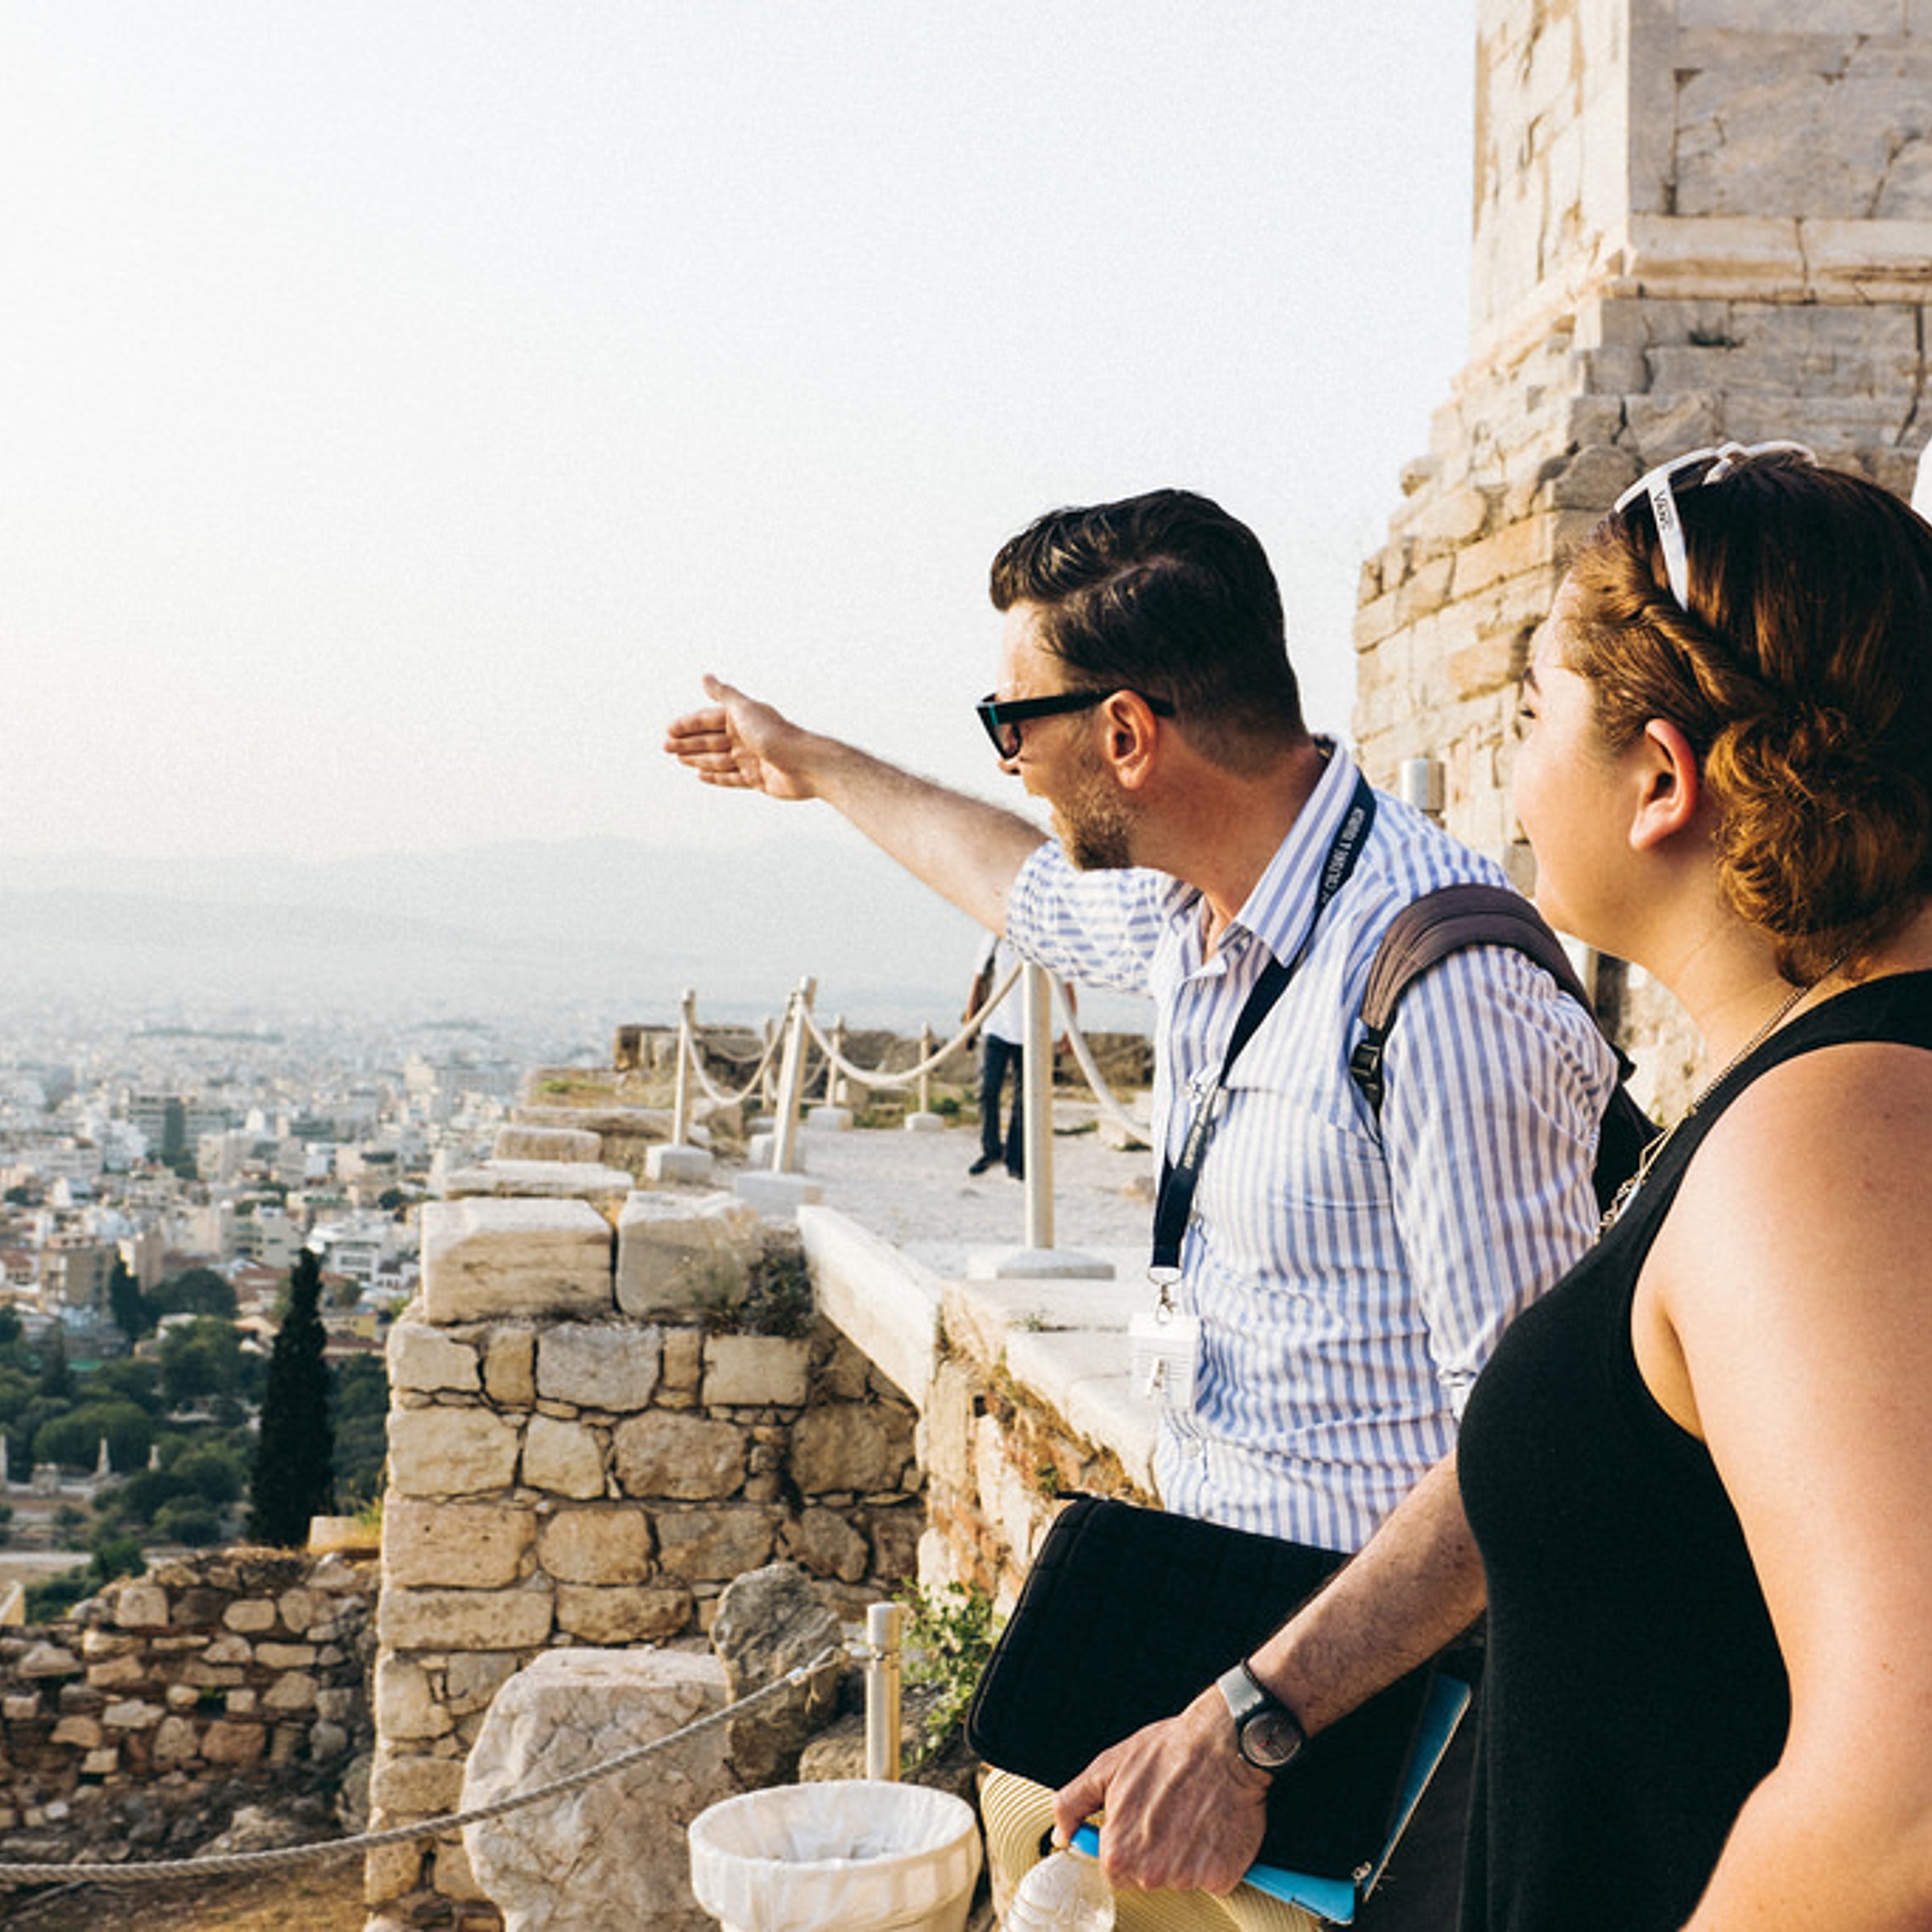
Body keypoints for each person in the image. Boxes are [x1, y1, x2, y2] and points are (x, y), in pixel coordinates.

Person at [665, 489, 1618, 1930]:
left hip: (1388, 1734)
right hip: (1236, 1664)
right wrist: (814, 767)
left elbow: (1530, 1459)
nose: (1012, 763)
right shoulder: (1200, 912)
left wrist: (1248, 1723)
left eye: (1014, 723)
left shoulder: (1441, 988)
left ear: (1125, 734)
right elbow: (1016, 886)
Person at [1055, 448, 1932, 1932]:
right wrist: (1259, 1709)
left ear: (1661, 779)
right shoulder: (1797, 1097)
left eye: (1533, 717)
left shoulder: (1829, 1141)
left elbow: (1903, 1792)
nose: (1512, 782)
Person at [964, 931, 1026, 1178]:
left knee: (1023, 1101)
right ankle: (991, 1150)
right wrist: (971, 1024)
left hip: (1030, 1030)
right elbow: (978, 980)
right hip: (996, 1027)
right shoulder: (994, 936)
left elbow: (1065, 984)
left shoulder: (1041, 936)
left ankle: (1016, 1159)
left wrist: (1068, 1028)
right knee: (987, 1090)